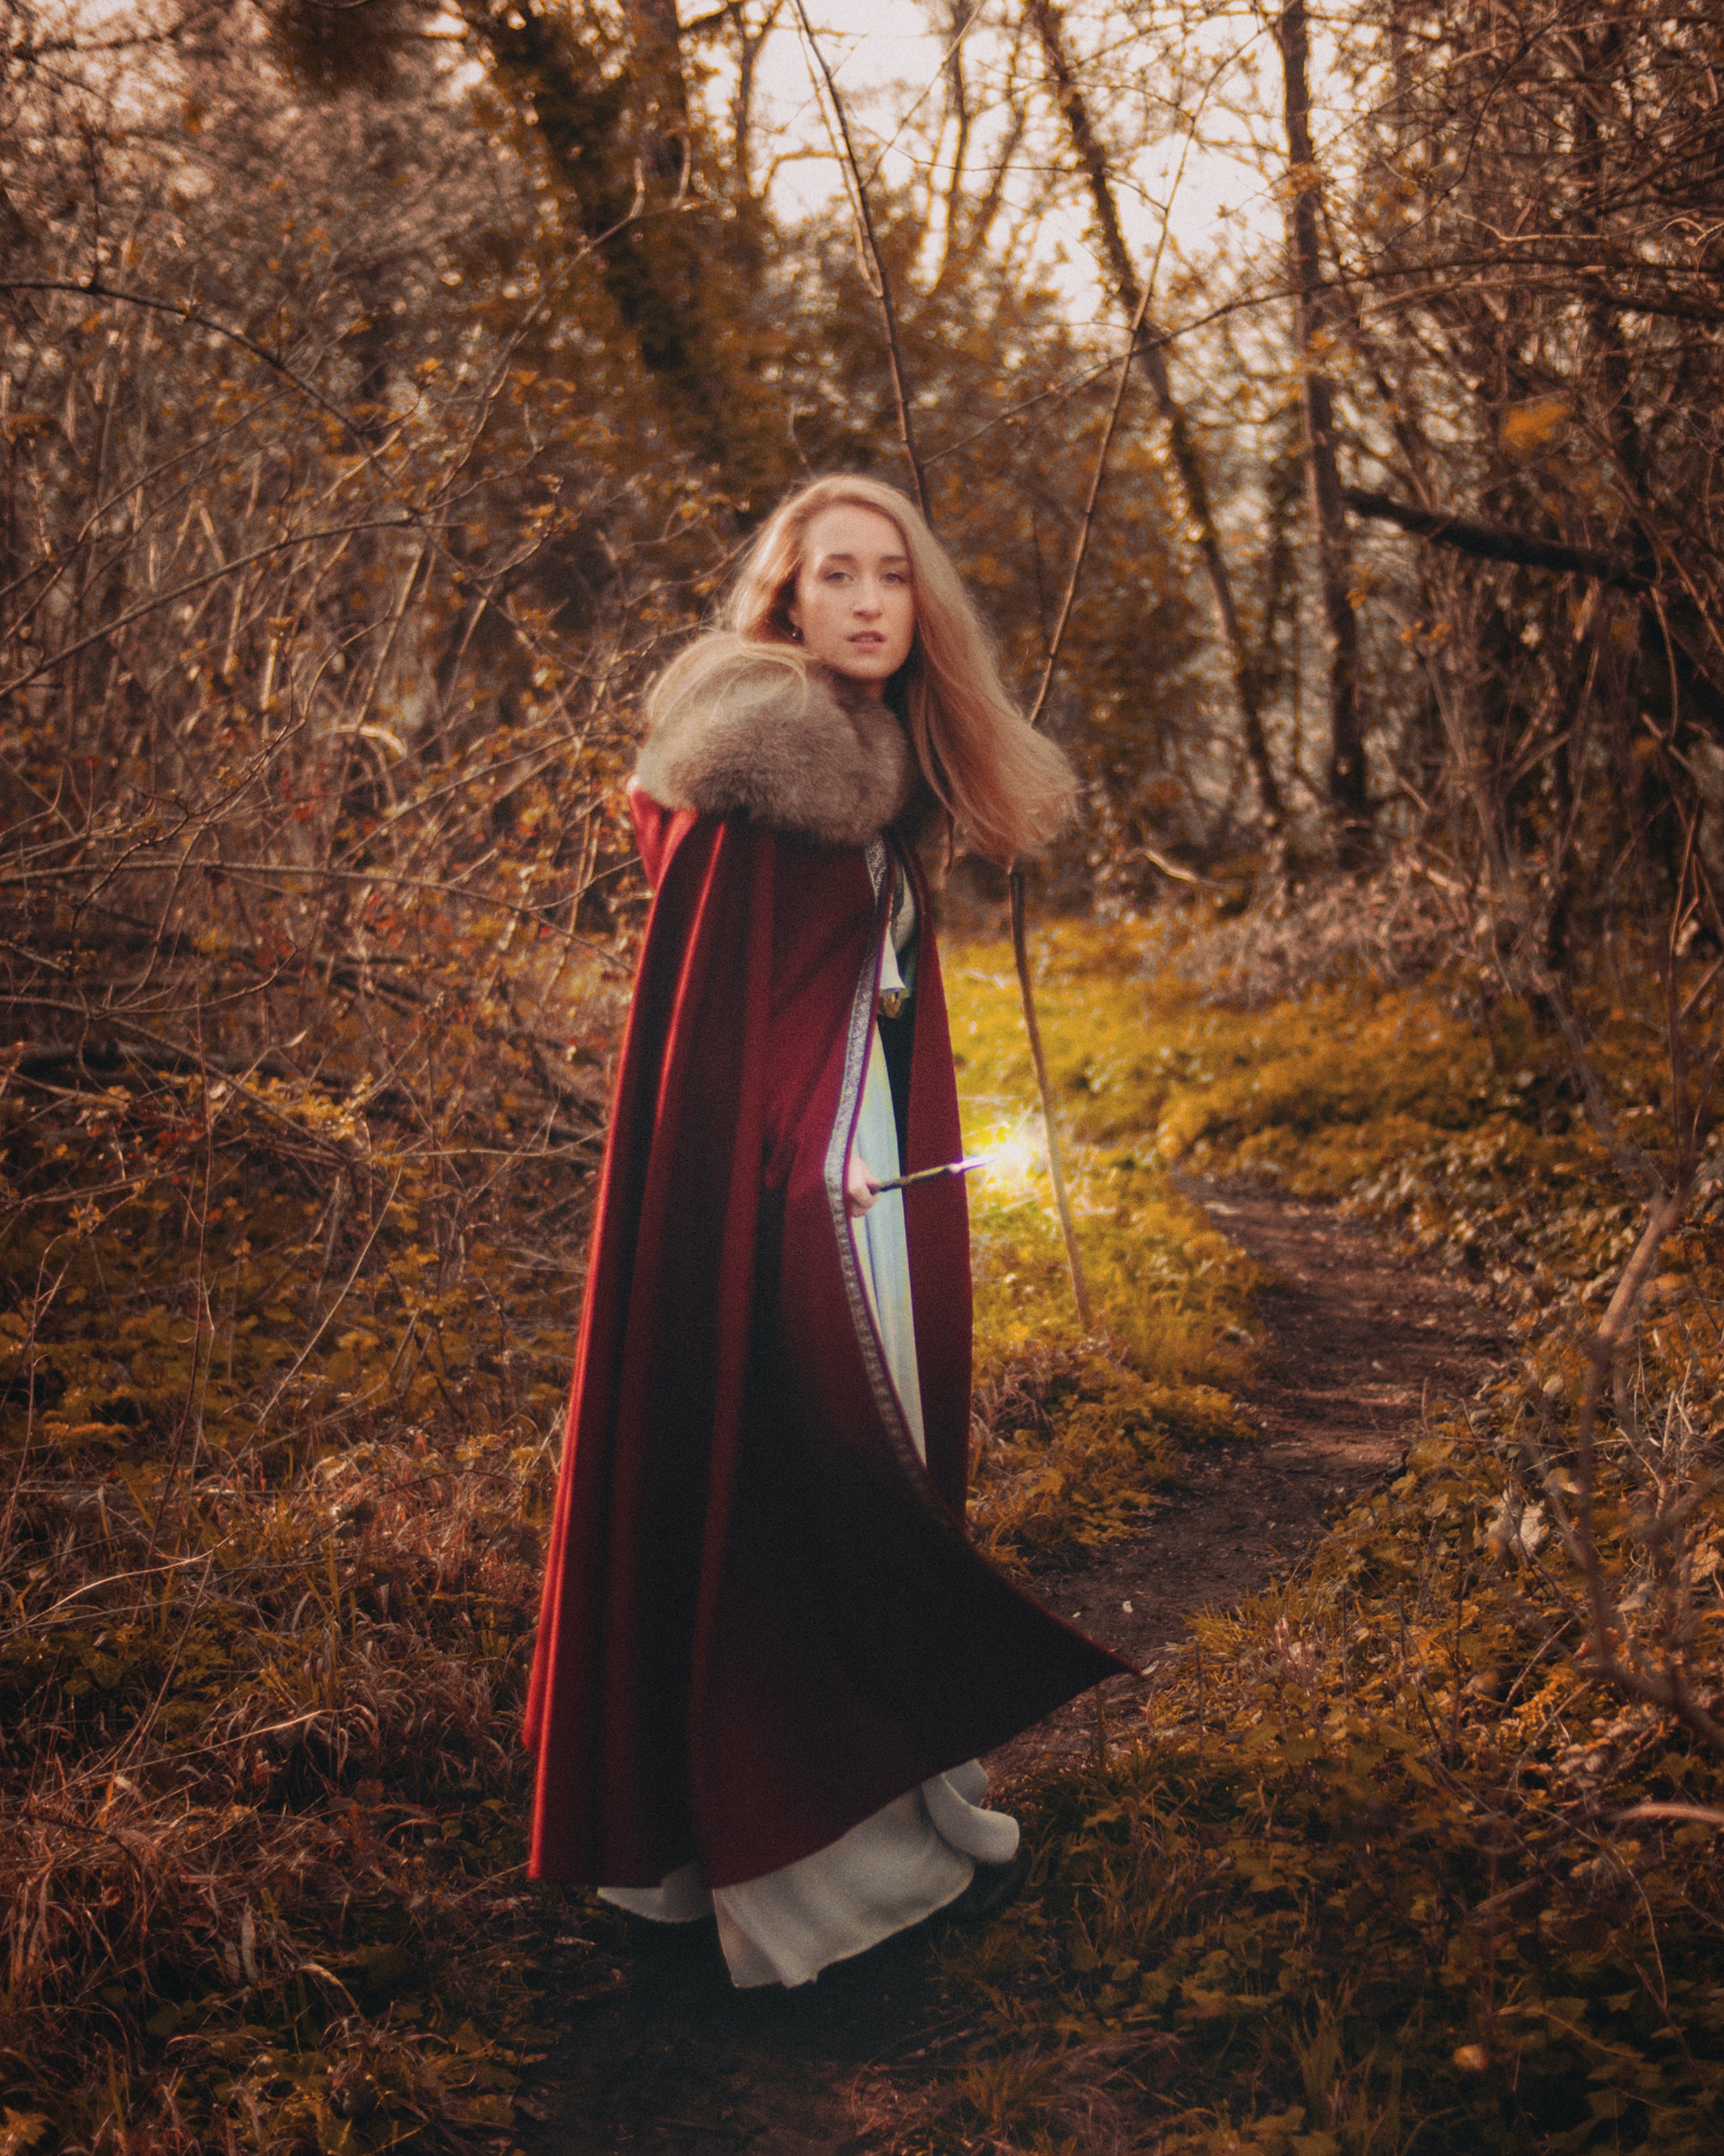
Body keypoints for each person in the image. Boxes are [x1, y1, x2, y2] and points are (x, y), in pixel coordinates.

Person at [523, 475, 1128, 1989]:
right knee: (793, 1468)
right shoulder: (768, 776)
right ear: (784, 602)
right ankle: (800, 1874)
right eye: (833, 576)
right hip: (798, 1215)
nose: (866, 601)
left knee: (866, 1464)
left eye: (892, 577)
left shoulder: (865, 765)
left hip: (859, 1201)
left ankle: (884, 1798)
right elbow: (727, 1063)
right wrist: (791, 1206)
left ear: (924, 605)